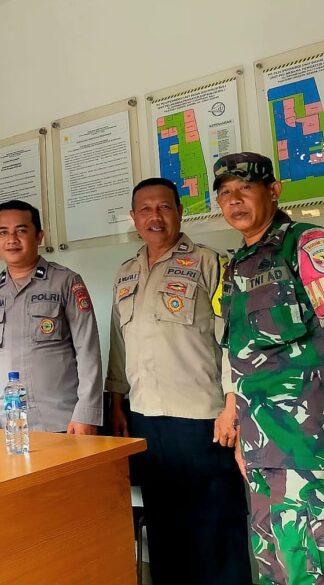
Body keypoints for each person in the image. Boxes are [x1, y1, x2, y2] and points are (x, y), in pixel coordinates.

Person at [215, 152, 324, 584]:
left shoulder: (309, 244)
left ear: (273, 191)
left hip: (310, 450)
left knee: (311, 572)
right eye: (225, 192)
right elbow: (241, 355)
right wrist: (239, 421)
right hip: (261, 451)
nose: (234, 200)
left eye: (245, 188)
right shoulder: (236, 266)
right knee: (273, 571)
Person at [106, 177, 251, 584]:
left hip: (203, 421)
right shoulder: (125, 273)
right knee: (166, 532)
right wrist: (116, 402)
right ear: (134, 218)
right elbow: (119, 343)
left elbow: (234, 338)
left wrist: (232, 404)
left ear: (180, 213)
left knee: (216, 533)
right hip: (146, 420)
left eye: (164, 207)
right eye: (145, 209)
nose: (155, 216)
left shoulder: (210, 263)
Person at [0, 200, 103, 433]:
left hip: (63, 423)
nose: (11, 239)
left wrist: (86, 414)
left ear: (39, 236)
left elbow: (88, 351)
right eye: (3, 232)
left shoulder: (65, 282)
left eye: (21, 231)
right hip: (9, 425)